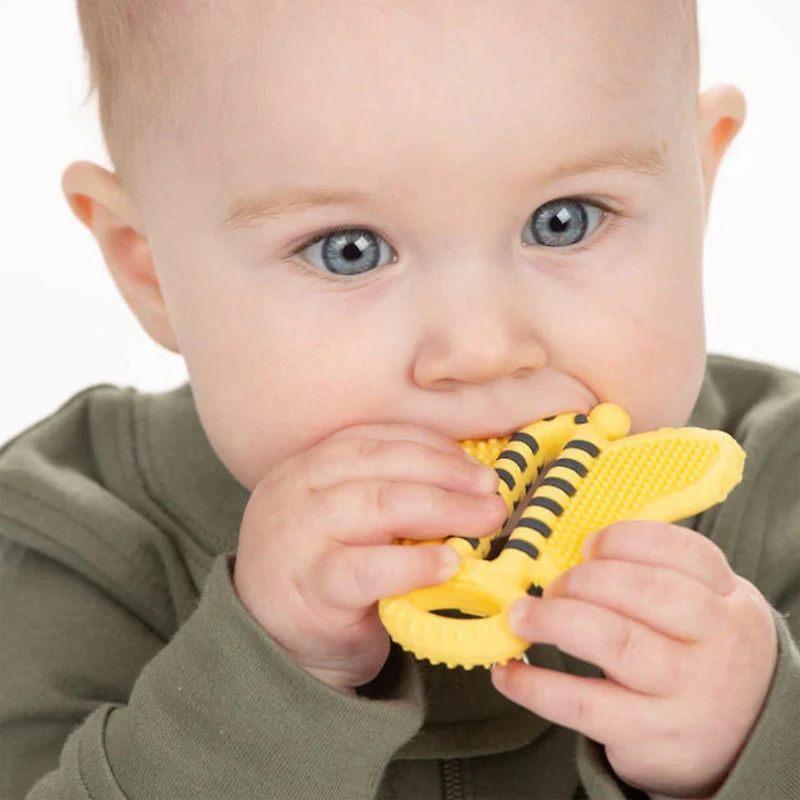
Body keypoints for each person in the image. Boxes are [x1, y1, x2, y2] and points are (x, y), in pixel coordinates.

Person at [1, 0, 798, 798]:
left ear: (698, 184)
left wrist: (755, 737)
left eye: (564, 221)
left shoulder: (782, 486)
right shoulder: (73, 539)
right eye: (348, 251)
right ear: (148, 267)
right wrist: (267, 678)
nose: (481, 351)